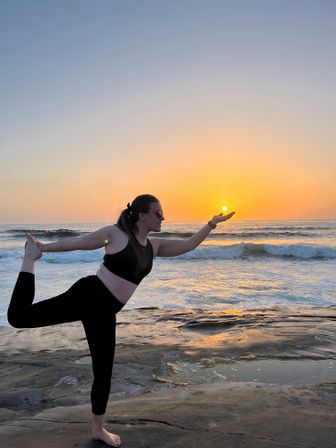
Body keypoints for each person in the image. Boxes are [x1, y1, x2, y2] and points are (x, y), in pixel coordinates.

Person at [7, 194, 235, 447]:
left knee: (104, 370)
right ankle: (29, 260)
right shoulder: (114, 235)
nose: (163, 217)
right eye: (158, 213)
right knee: (19, 318)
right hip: (88, 296)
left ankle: (98, 429)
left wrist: (212, 223)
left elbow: (189, 245)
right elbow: (83, 242)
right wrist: (44, 248)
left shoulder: (154, 246)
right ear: (142, 215)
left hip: (105, 313)